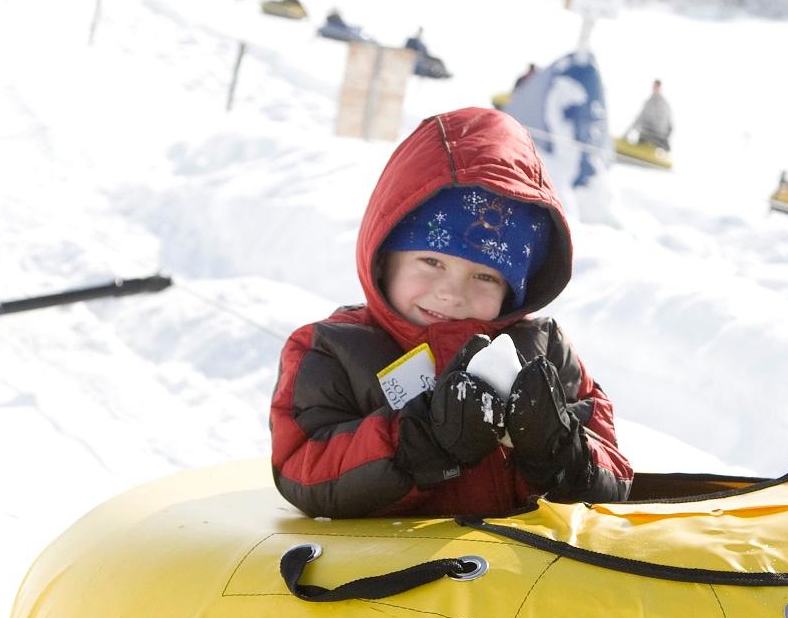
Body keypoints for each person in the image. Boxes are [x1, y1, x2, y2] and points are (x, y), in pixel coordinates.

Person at [271, 106, 632, 518]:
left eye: (485, 277)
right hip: (395, 573)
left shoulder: (544, 350)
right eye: (432, 263)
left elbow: (614, 474)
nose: (451, 294)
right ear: (386, 257)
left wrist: (557, 449)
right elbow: (303, 469)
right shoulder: (332, 350)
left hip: (520, 576)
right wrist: (423, 438)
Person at [629, 78, 673, 151]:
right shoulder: (648, 103)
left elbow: (670, 126)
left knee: (666, 148)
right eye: (654, 87)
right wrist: (628, 132)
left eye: (657, 87)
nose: (655, 89)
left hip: (659, 139)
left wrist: (664, 136)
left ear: (660, 88)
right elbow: (639, 119)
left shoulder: (665, 105)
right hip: (646, 136)